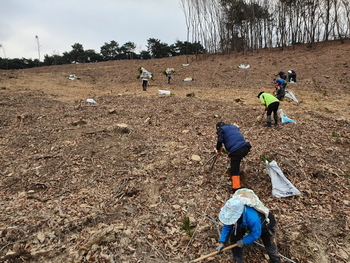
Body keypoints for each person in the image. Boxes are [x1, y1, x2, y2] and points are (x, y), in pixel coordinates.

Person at [215, 196, 281, 263]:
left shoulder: (253, 219)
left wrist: (244, 241)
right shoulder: (232, 212)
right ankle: (238, 261)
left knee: (269, 245)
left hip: (264, 225)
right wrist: (222, 242)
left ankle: (276, 260)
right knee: (234, 239)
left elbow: (256, 233)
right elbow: (227, 226)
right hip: (244, 224)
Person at [216, 122, 251, 192]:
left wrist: (218, 149)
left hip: (237, 150)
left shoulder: (221, 129)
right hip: (245, 148)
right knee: (236, 162)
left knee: (234, 170)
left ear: (218, 127)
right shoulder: (234, 127)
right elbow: (234, 139)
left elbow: (220, 140)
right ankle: (241, 180)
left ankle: (236, 188)